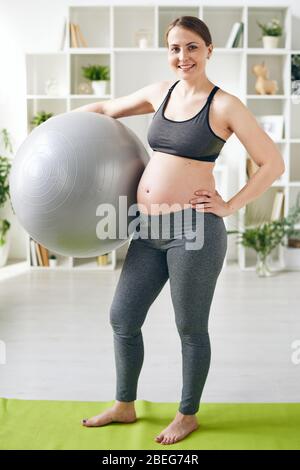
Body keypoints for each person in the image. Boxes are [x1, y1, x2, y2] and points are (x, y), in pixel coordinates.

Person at [73, 16, 285, 445]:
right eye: (174, 48)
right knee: (123, 317)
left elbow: (273, 163)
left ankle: (187, 414)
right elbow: (103, 109)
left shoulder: (224, 105)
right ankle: (124, 404)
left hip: (195, 229)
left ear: (209, 51)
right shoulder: (160, 93)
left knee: (190, 327)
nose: (182, 56)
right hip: (147, 228)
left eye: (191, 47)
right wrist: (51, 131)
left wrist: (229, 205)